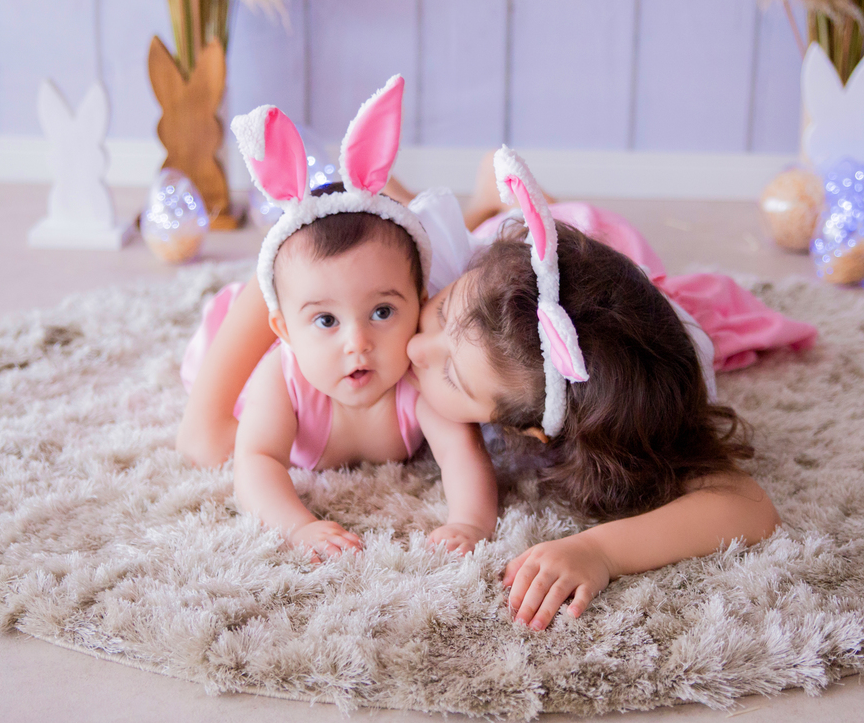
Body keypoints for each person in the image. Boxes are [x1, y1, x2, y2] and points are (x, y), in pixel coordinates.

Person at [179, 107, 816, 634]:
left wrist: (599, 550)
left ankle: (485, 202)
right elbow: (292, 286)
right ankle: (489, 206)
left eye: (451, 378)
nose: (411, 353)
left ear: (525, 430)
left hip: (594, 309)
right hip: (518, 262)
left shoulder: (582, 405)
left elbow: (748, 508)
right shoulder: (455, 299)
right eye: (435, 318)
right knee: (217, 432)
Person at [183, 79, 497, 558]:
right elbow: (257, 460)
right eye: (327, 321)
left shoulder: (417, 377)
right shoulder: (282, 377)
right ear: (284, 332)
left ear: (420, 303)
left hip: (350, 282)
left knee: (367, 263)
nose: (358, 342)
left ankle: (440, 203)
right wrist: (299, 527)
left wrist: (470, 522)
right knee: (305, 289)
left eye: (383, 312)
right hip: (252, 325)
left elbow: (462, 453)